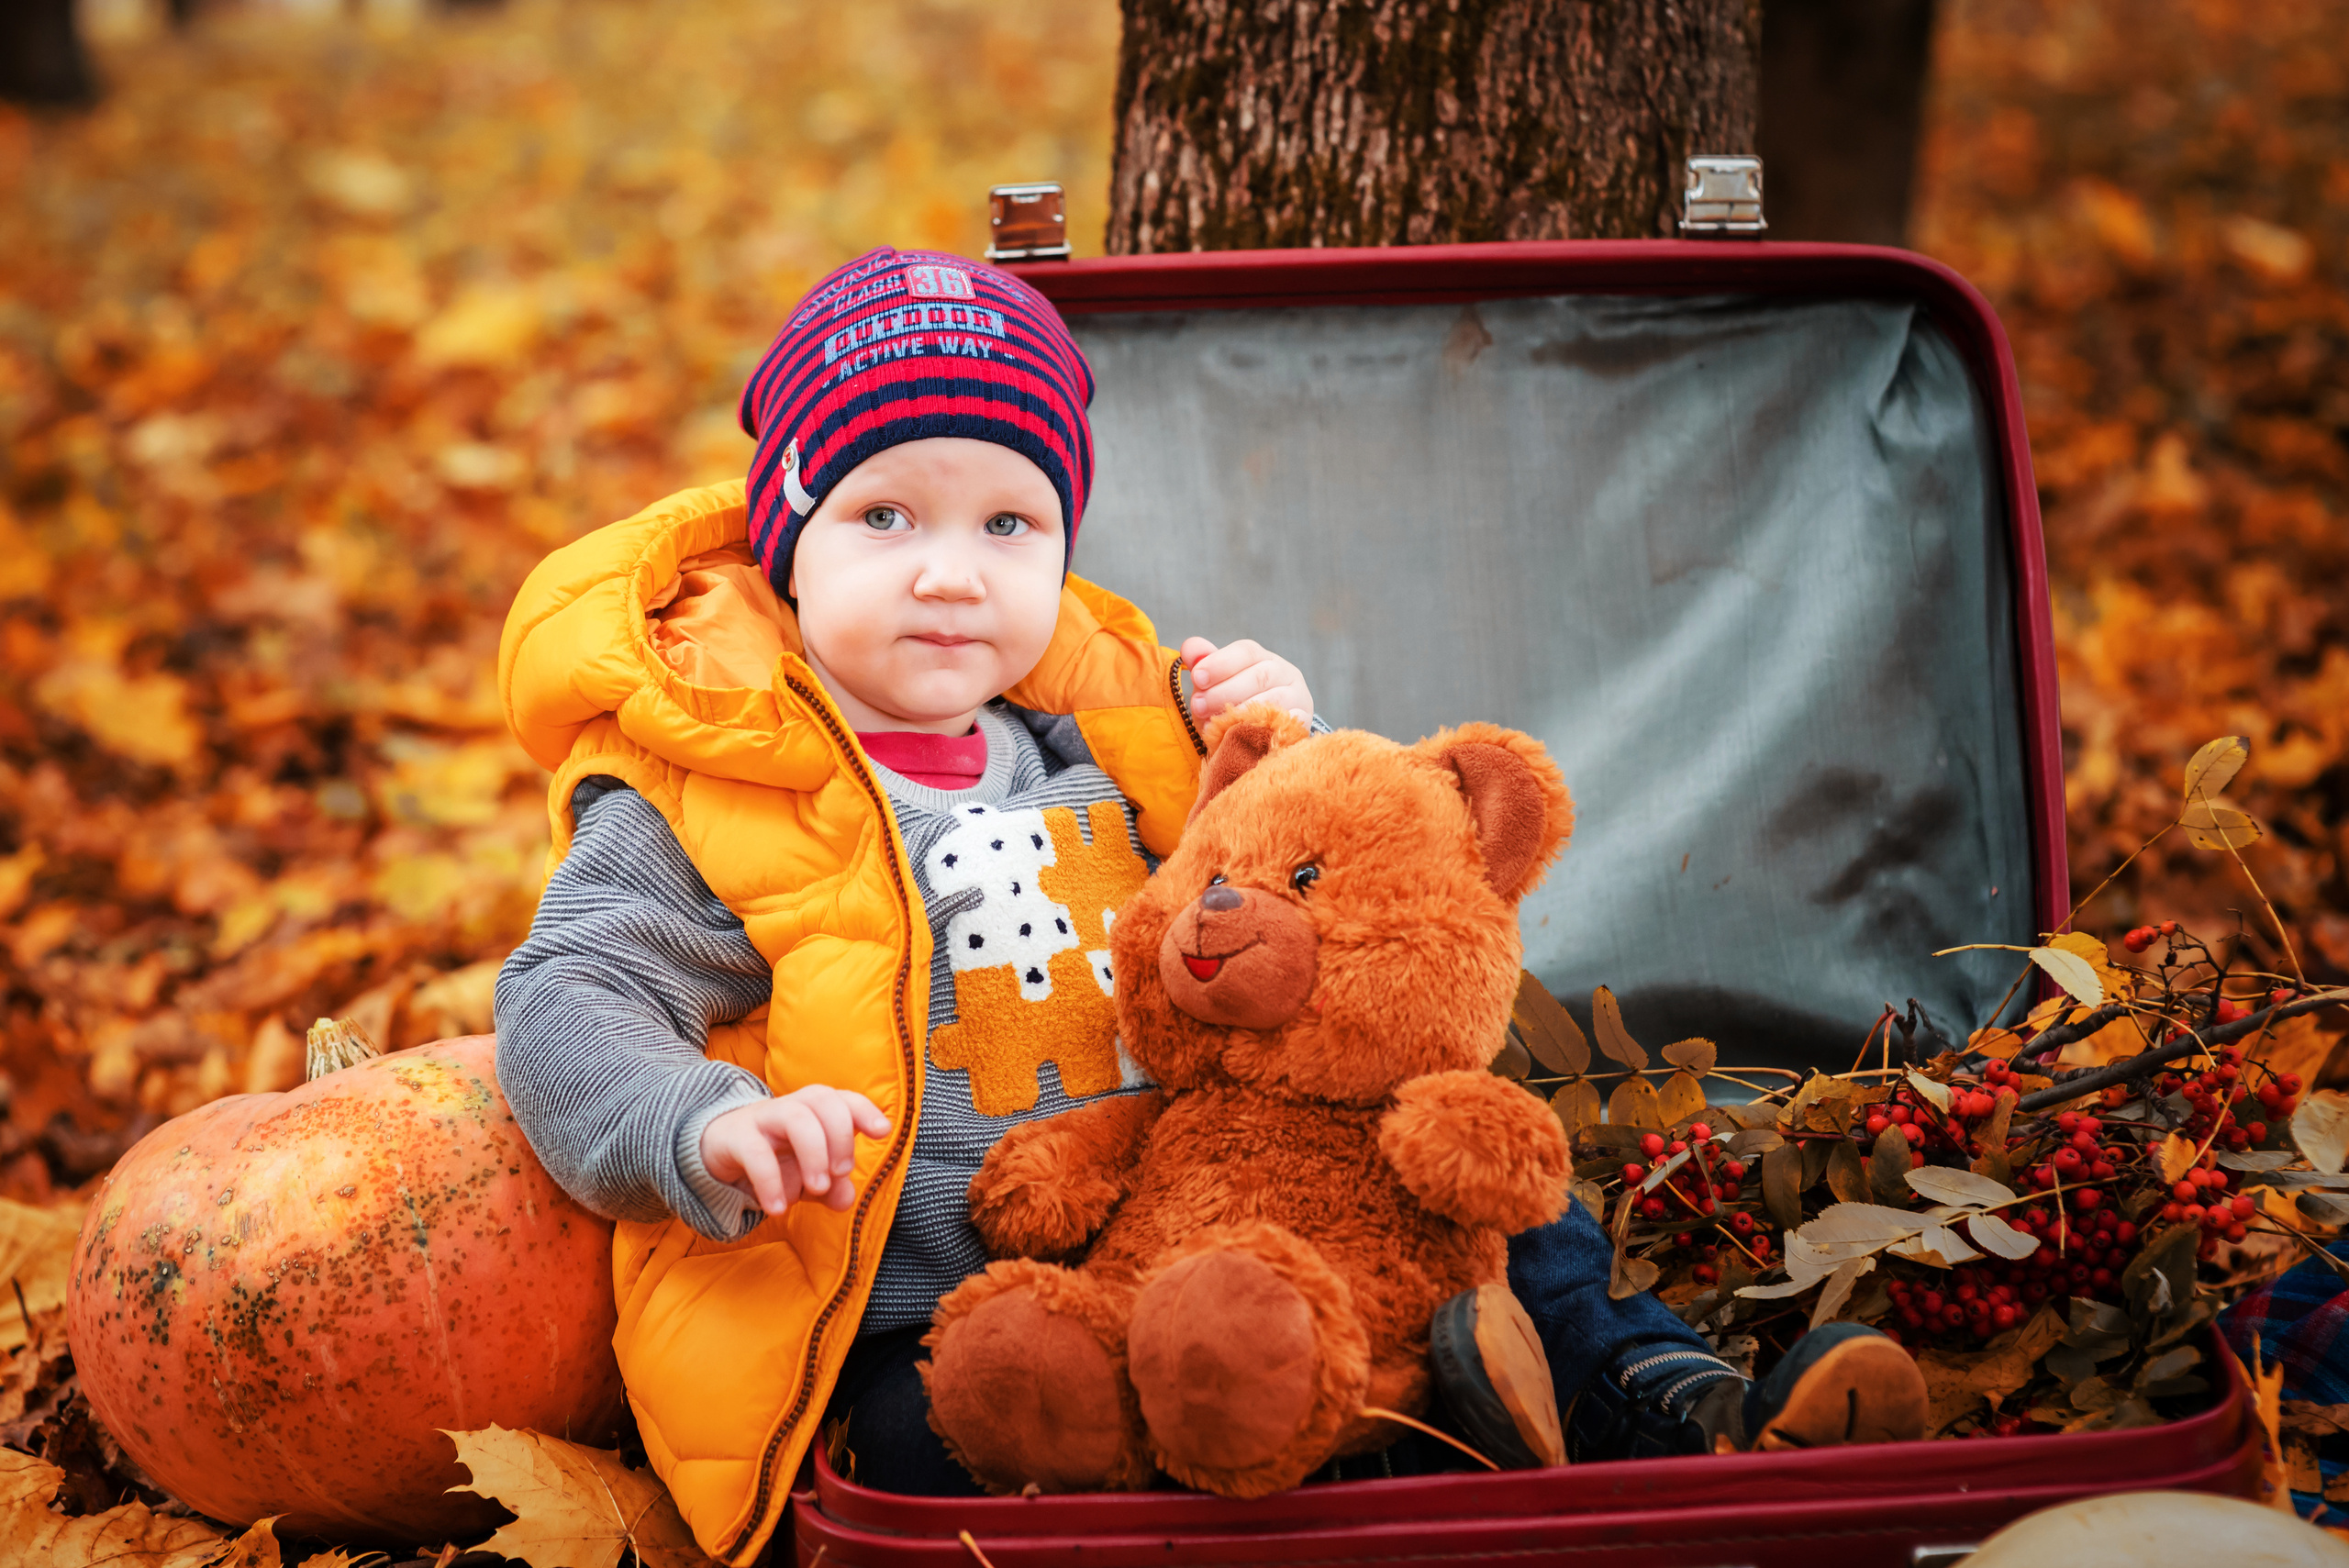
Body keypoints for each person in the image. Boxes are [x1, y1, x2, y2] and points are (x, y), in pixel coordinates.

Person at [492, 247, 1920, 1558]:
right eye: (882, 514)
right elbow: (568, 1000)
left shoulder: (1105, 746)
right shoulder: (709, 790)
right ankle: (1381, 1456)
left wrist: (1274, 740)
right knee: (948, 1440)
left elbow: (1305, 907)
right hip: (927, 1306)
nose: (949, 571)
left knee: (1492, 1208)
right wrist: (702, 1126)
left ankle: (1671, 1405)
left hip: (1207, 1206)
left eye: (1009, 519)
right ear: (785, 533)